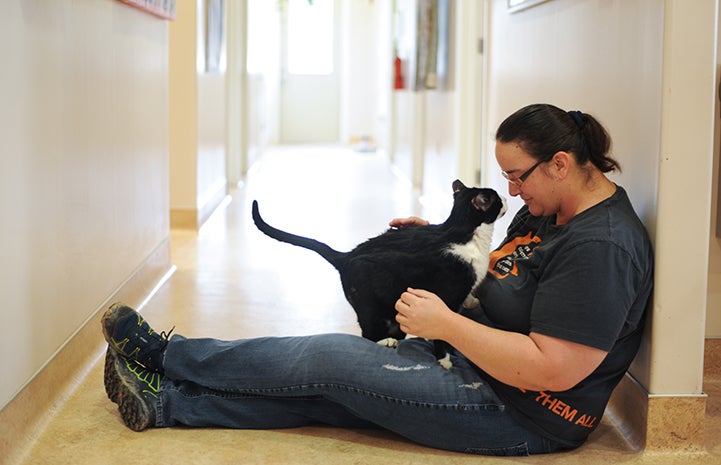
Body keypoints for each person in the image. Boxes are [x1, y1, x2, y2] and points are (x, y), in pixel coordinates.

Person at [101, 103, 653, 456]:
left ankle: (165, 357)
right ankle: (167, 403)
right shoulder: (550, 207)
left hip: (519, 411)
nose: (512, 193)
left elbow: (555, 370)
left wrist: (448, 327)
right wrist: (431, 242)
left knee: (330, 362)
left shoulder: (601, 247)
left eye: (517, 176)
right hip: (474, 360)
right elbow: (499, 272)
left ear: (559, 163)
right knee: (332, 394)